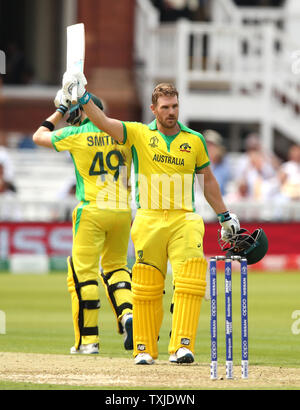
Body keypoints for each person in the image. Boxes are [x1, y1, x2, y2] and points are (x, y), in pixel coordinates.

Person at [61, 74, 240, 365]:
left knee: (190, 279)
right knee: (146, 285)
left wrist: (225, 216)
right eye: (166, 107)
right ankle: (144, 348)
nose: (171, 112)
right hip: (148, 219)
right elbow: (105, 123)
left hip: (184, 219)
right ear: (153, 109)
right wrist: (83, 99)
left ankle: (182, 345)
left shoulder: (193, 141)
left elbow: (208, 181)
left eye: (175, 106)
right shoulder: (139, 134)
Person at [32, 91, 134, 354]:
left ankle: (88, 341)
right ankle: (128, 314)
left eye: (76, 112)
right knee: (117, 268)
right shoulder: (123, 134)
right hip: (122, 211)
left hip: (91, 209)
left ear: (86, 111)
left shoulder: (76, 135)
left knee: (82, 273)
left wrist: (60, 111)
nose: (73, 117)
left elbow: (38, 136)